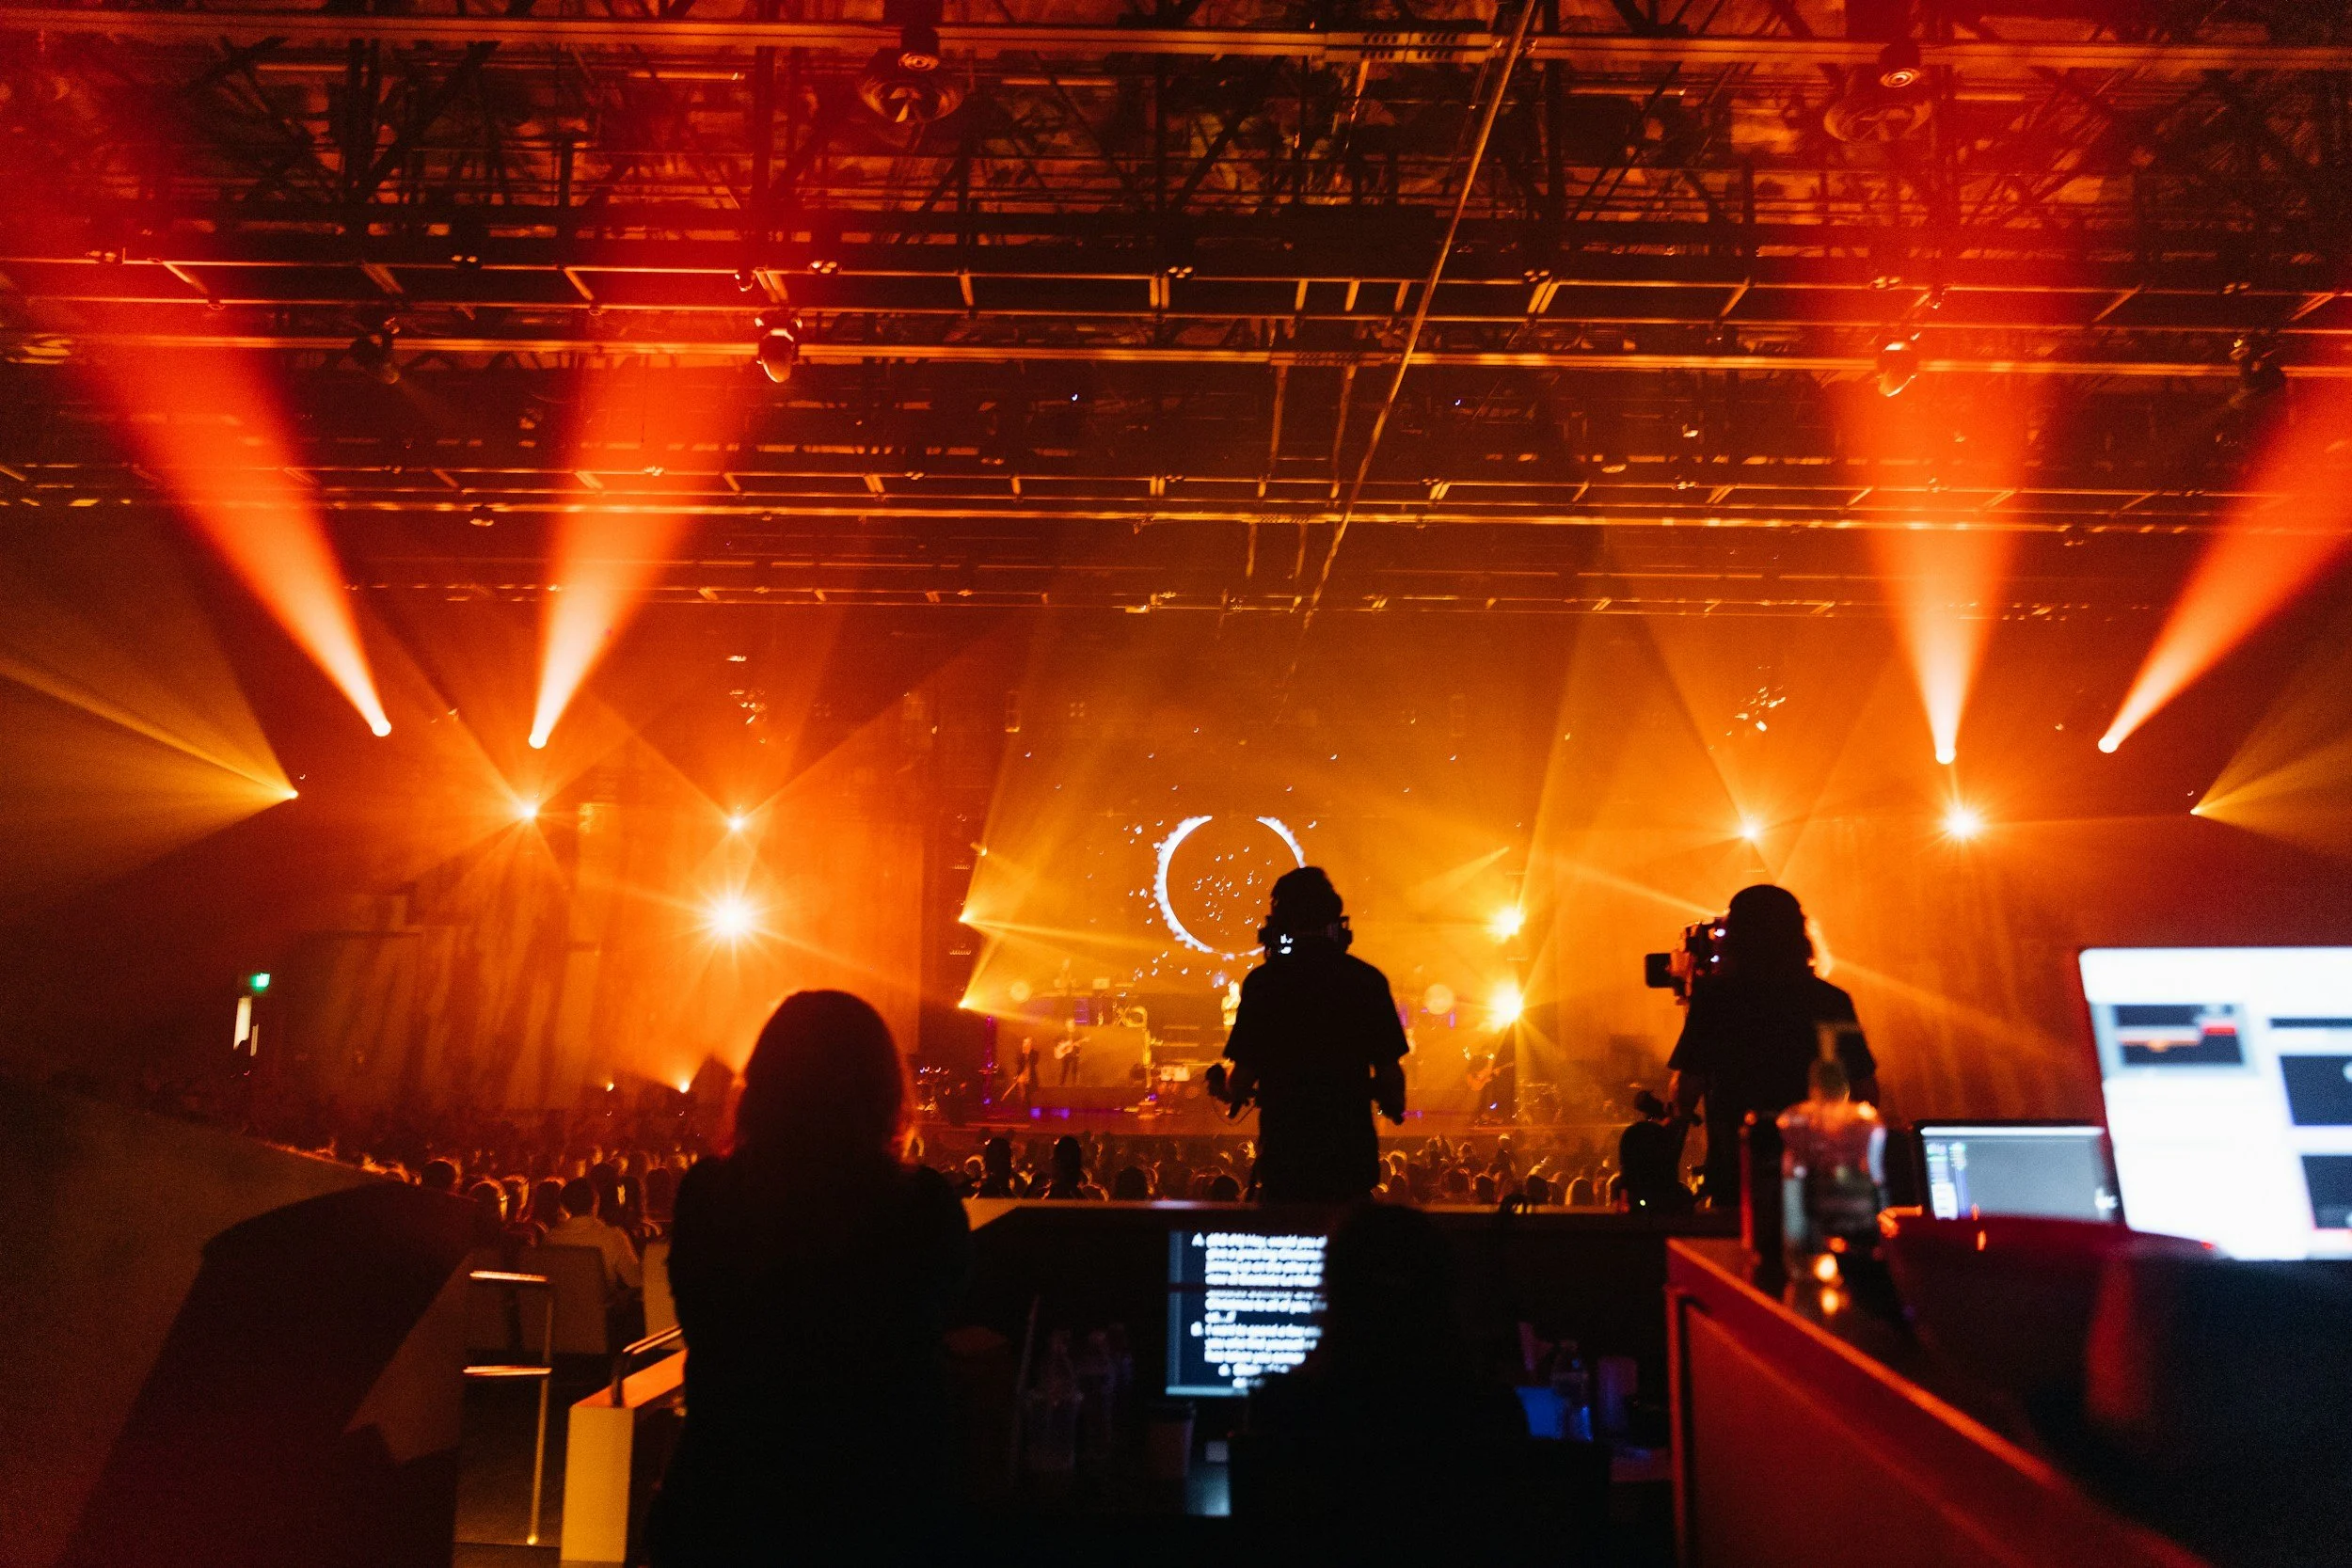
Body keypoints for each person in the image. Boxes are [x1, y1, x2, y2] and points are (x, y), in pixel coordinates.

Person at [646, 991, 969, 1565]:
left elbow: (708, 1327)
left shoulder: (708, 1195)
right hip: (876, 1508)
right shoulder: (922, 1204)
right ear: (881, 1090)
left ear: (764, 1085)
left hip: (726, 1503)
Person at [1668, 883, 1877, 1208]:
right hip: (1815, 1174)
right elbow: (1865, 1090)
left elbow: (1686, 1089)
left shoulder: (1715, 1000)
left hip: (1738, 1173)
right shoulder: (1831, 1001)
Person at [1218, 867, 1410, 1204]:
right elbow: (1391, 1077)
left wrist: (1226, 1085)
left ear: (1282, 920)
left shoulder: (1263, 984)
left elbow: (1241, 1079)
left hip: (1286, 1160)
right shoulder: (1368, 980)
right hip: (1351, 1161)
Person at [545, 1178, 644, 1296]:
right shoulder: (613, 1236)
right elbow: (636, 1281)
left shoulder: (551, 1238)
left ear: (564, 1206)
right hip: (602, 1307)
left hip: (559, 1307)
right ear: (596, 1202)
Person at [1618, 1089, 1695, 1213]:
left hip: (1636, 1197)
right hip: (1662, 1198)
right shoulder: (1660, 1134)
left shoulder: (1631, 1133)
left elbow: (1626, 1171)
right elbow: (1671, 1164)